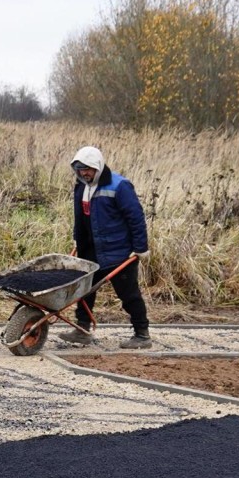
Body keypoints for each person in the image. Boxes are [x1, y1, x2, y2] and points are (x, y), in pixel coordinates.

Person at [60, 146, 152, 349]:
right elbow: (80, 217)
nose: (84, 173)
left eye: (88, 169)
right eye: (80, 169)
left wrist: (140, 247)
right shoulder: (81, 186)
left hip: (119, 251)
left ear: (98, 167)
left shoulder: (119, 186)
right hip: (90, 249)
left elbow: (135, 218)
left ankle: (142, 335)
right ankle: (82, 330)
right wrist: (78, 239)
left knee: (128, 294)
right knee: (84, 291)